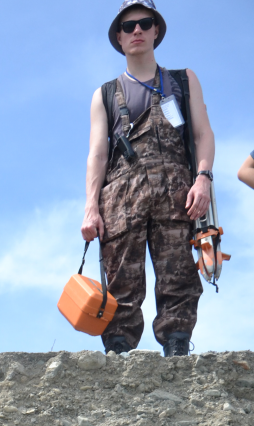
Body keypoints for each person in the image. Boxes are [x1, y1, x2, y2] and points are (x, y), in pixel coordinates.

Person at [81, 2, 215, 357]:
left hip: (177, 198)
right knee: (121, 282)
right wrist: (90, 208)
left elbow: (203, 134)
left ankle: (177, 347)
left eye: (145, 23)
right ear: (118, 37)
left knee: (179, 278)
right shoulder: (105, 94)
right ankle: (118, 354)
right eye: (128, 26)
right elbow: (97, 154)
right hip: (121, 204)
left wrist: (203, 179)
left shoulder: (183, 81)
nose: (136, 30)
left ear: (156, 30)